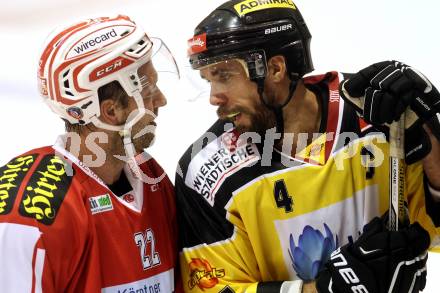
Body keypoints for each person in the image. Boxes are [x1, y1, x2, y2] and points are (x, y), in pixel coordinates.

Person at [175, 1, 440, 292]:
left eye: (224, 76)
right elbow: (214, 287)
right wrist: (325, 289)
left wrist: (429, 127)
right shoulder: (203, 171)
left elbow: (435, 234)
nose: (214, 97)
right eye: (208, 79)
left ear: (275, 68)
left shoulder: (376, 114)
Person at [0, 15, 182, 292]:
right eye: (148, 90)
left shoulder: (150, 177)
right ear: (110, 112)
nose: (160, 100)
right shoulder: (30, 211)